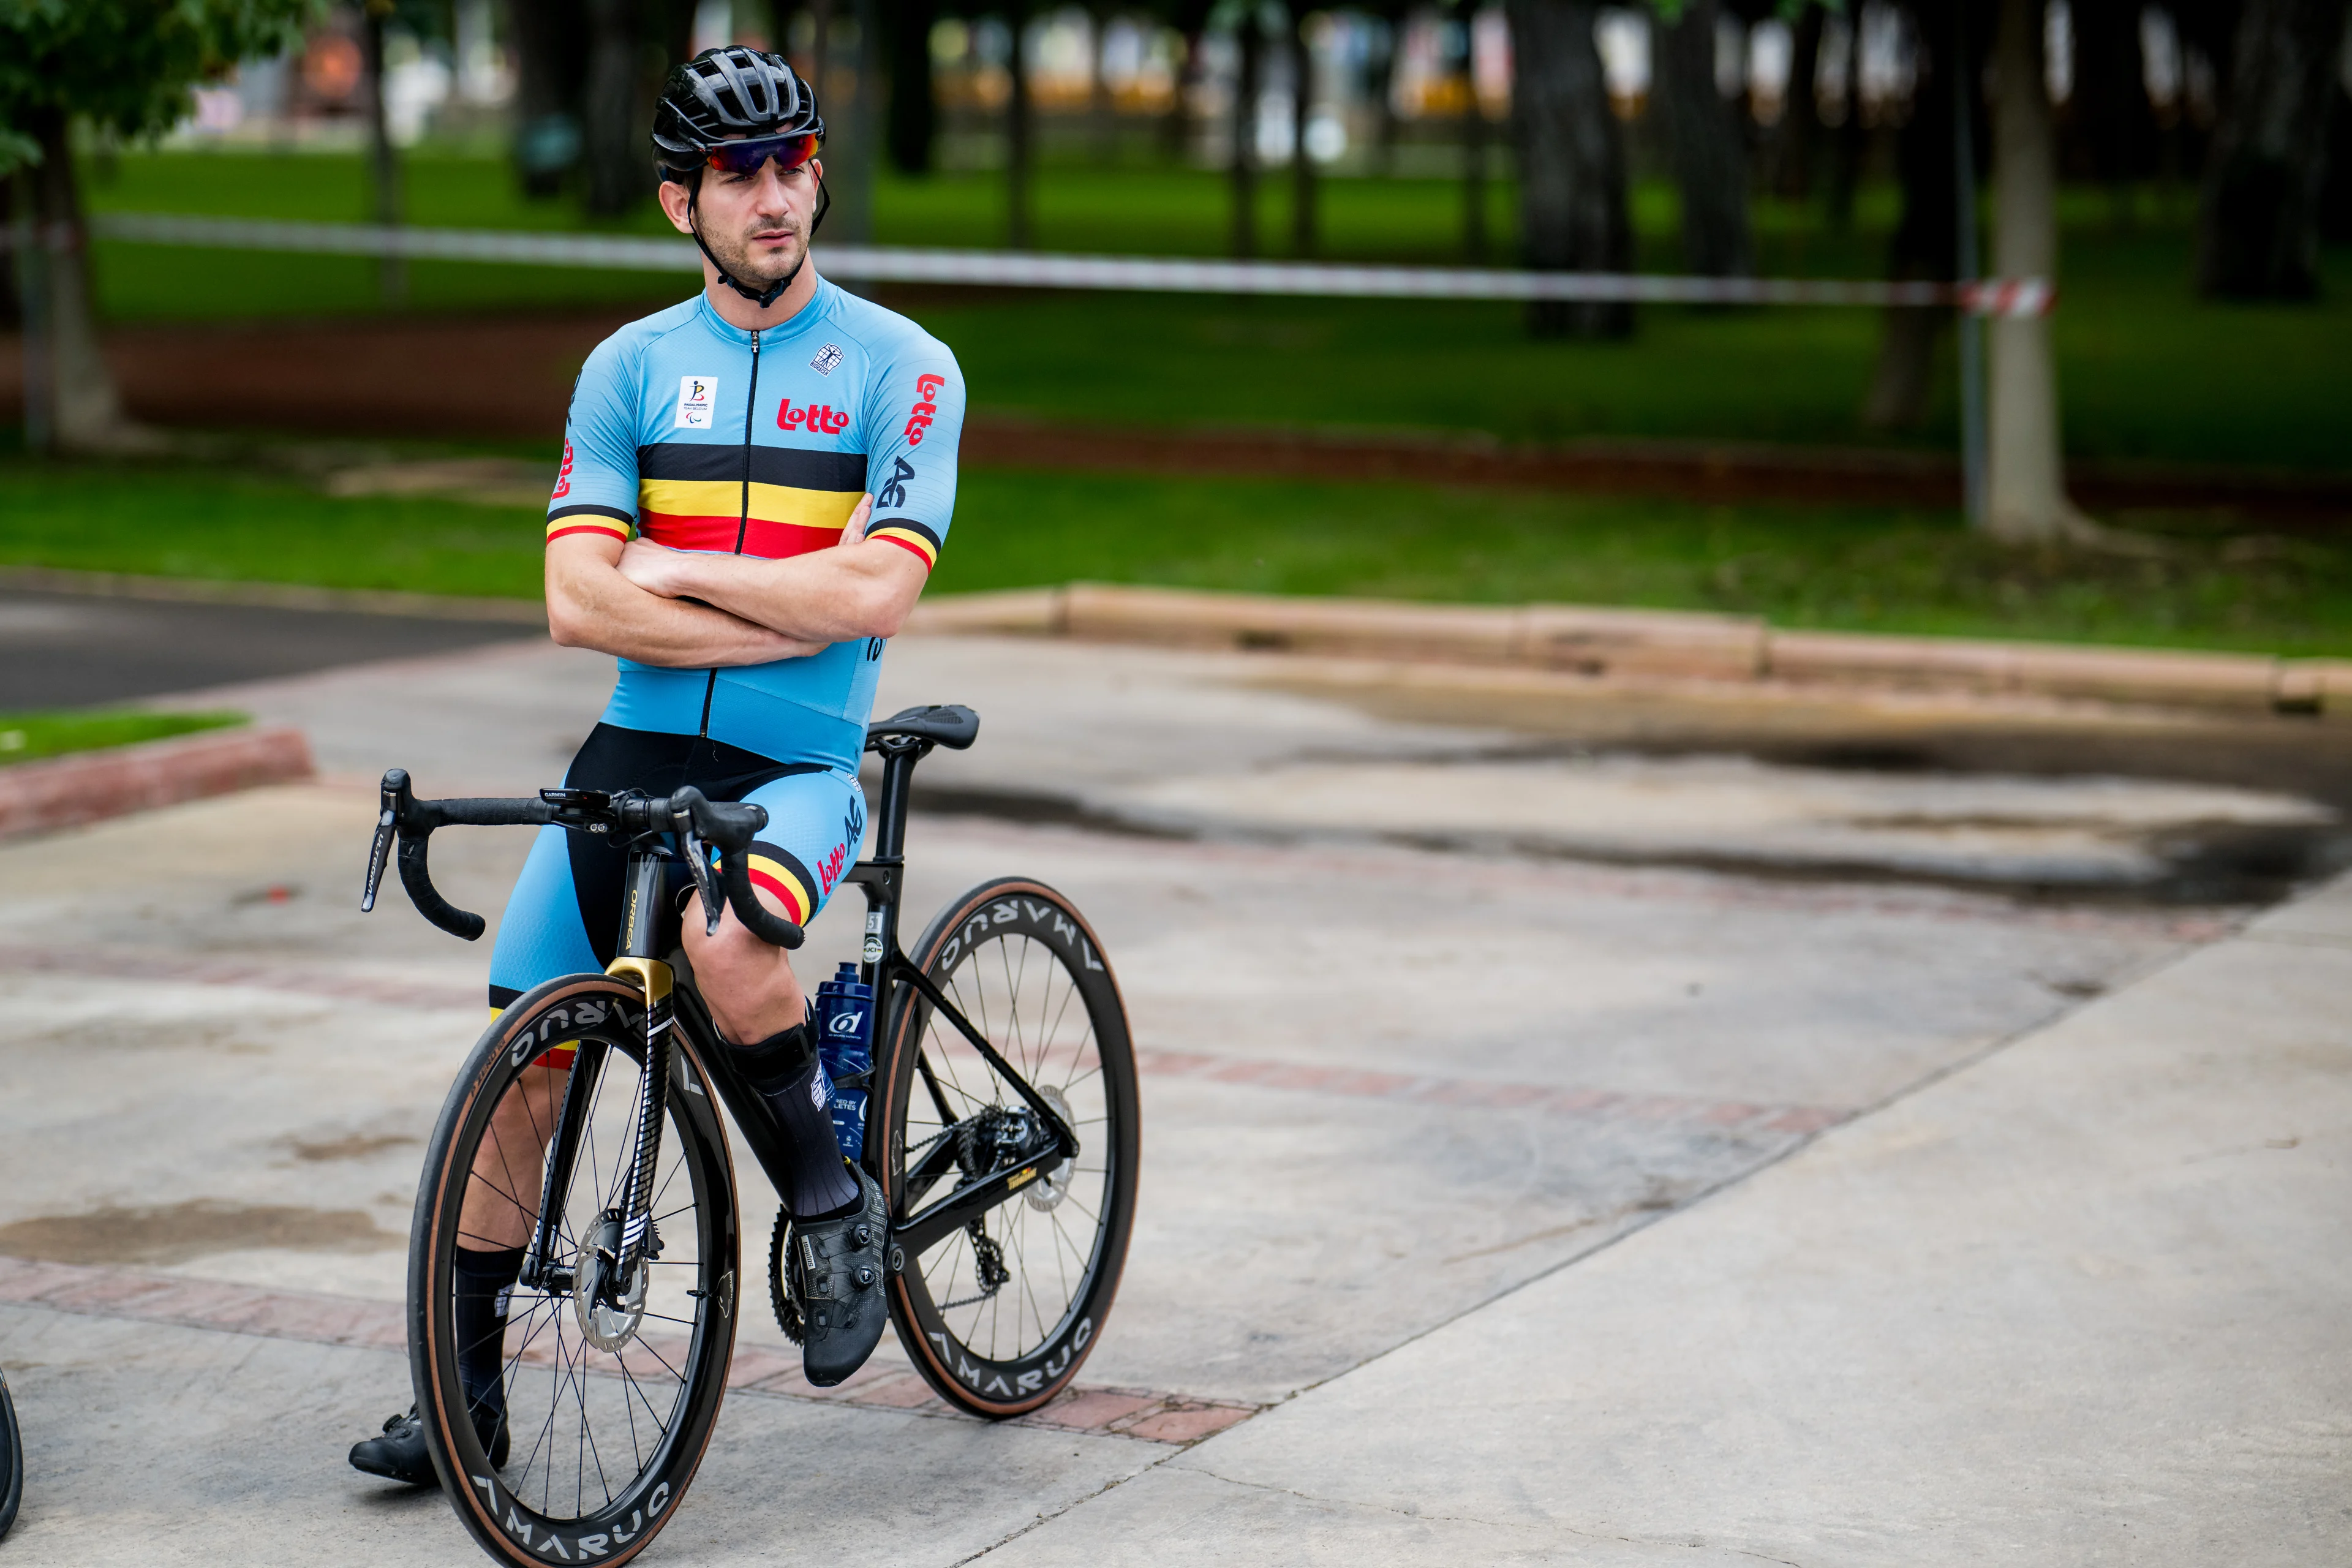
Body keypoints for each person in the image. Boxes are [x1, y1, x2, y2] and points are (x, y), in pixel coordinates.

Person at [350, 45, 963, 1486]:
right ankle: (471, 1406)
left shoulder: (902, 366)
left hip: (800, 763)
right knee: (524, 1072)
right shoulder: (628, 368)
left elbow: (878, 596)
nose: (776, 195)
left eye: (794, 162)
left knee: (729, 937)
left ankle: (831, 1203)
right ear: (679, 202)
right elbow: (576, 603)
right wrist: (771, 595)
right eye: (741, 174)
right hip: (627, 748)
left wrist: (676, 573)